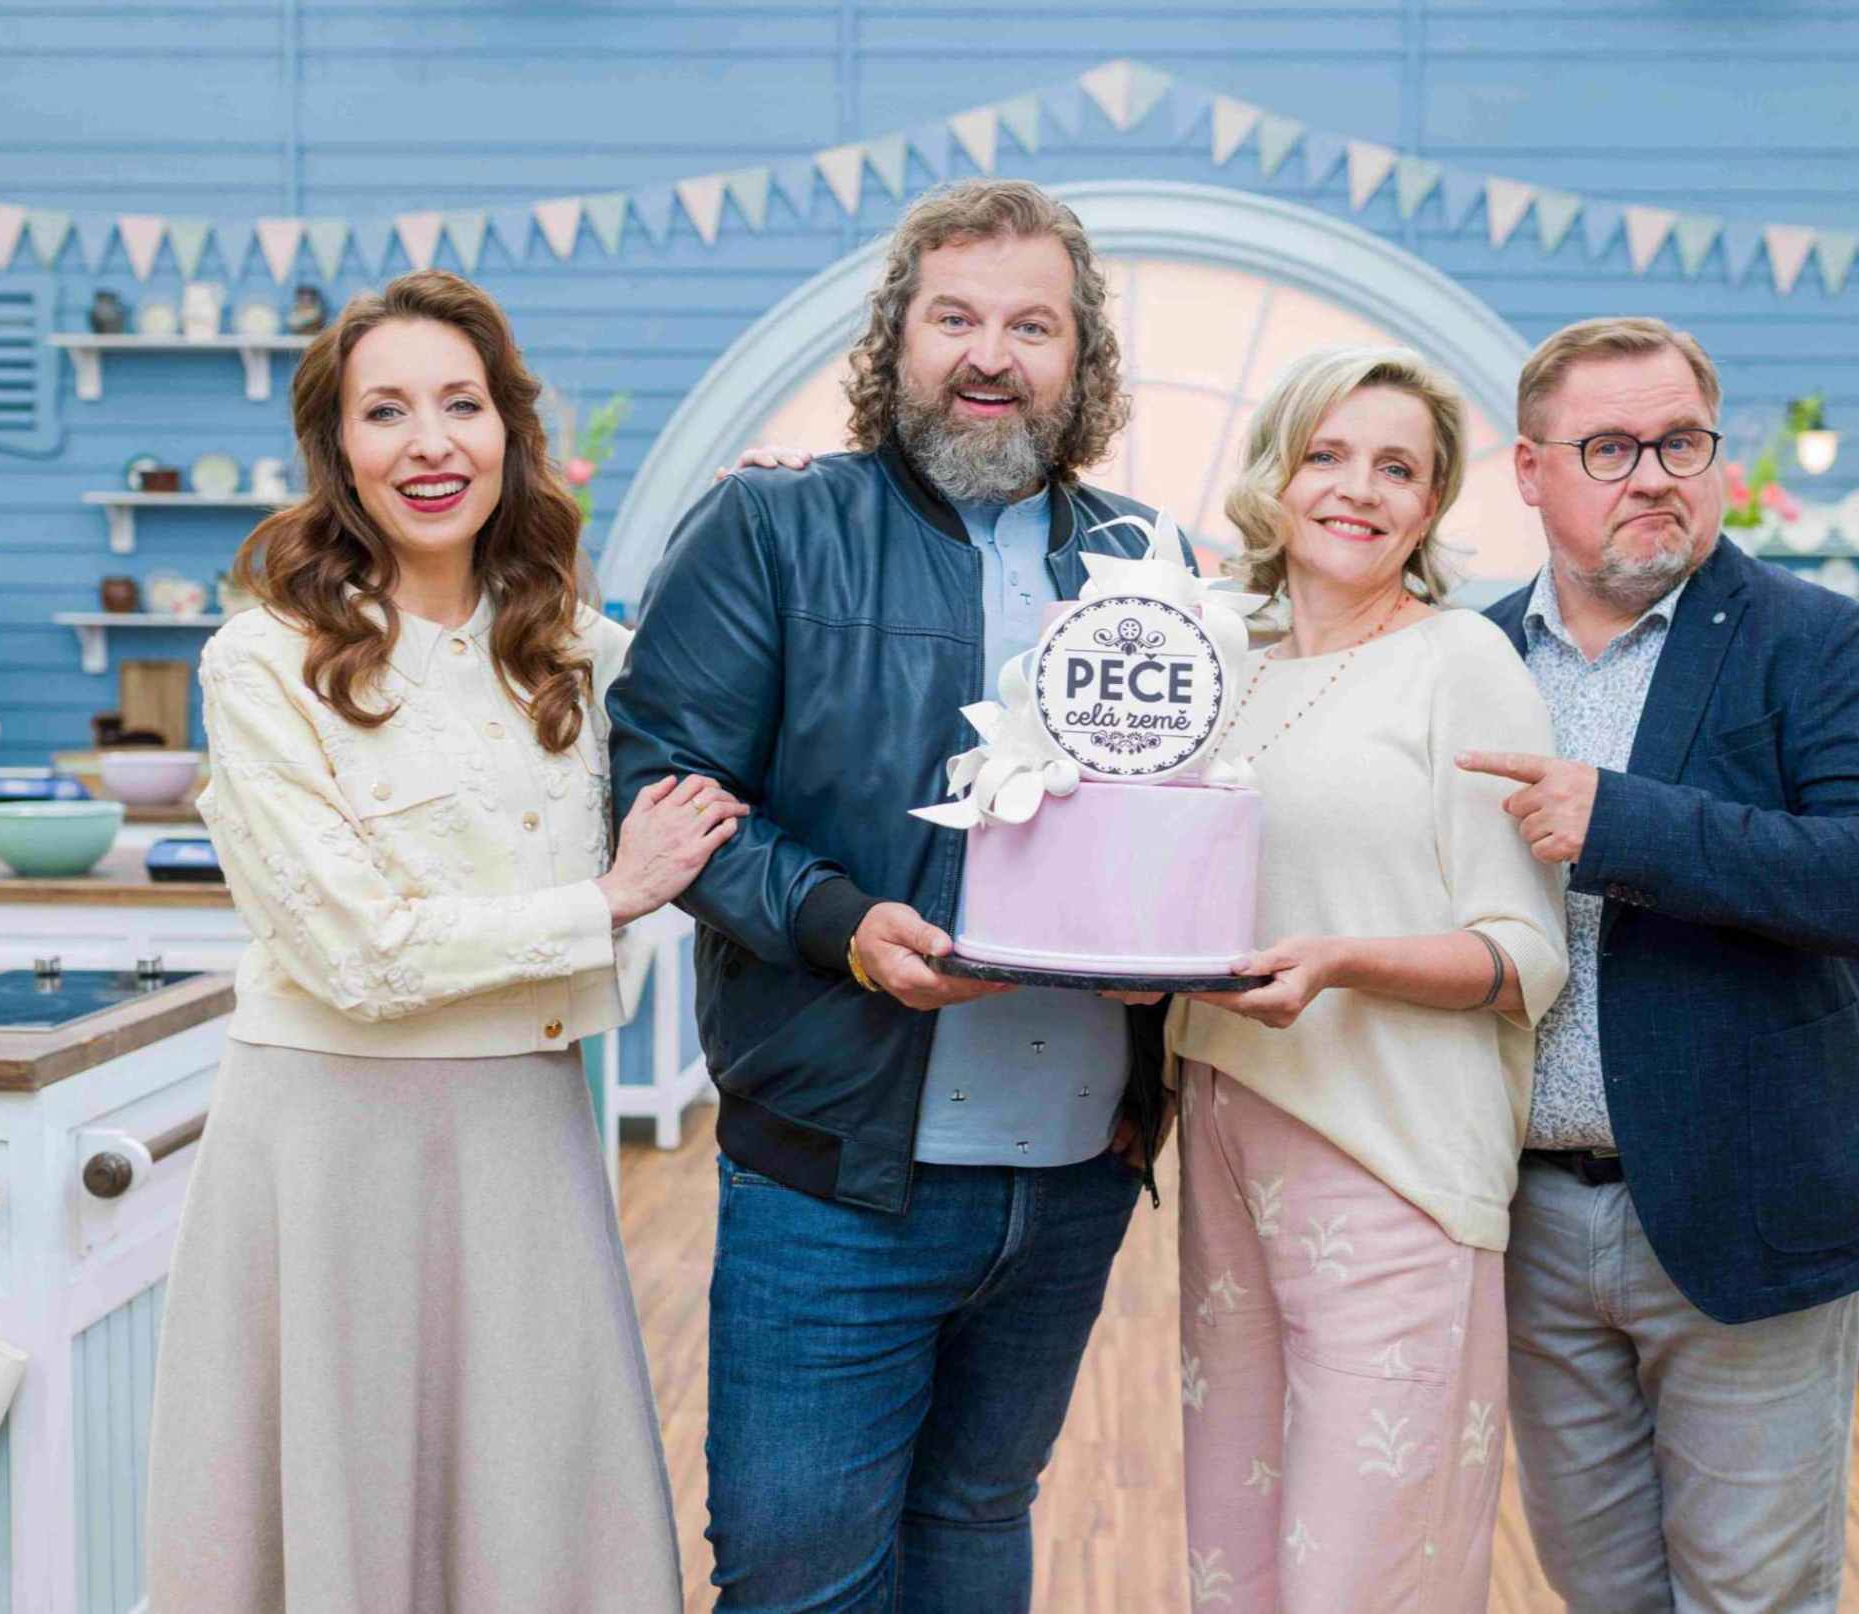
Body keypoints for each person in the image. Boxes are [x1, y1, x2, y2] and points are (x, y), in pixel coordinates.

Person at [607, 178, 1178, 1614]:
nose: (991, 355)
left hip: (1071, 1170)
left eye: (1032, 326)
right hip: (838, 1173)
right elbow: (666, 787)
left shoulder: (1147, 561)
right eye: (954, 318)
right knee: (800, 1576)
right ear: (896, 339)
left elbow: (1186, 812)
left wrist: (1172, 964)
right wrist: (841, 925)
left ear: (1081, 357)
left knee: (976, 1522)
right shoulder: (769, 528)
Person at [147, 268, 740, 1613]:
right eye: (386, 411)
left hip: (525, 1131)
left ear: (509, 431)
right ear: (337, 447)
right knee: (343, 1511)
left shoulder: (575, 651)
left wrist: (768, 518)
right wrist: (606, 899)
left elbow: (739, 704)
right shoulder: (262, 661)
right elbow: (354, 953)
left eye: (461, 405)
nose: (430, 444)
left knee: (537, 1508)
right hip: (326, 1143)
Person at [1464, 316, 1859, 1611]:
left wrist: (1624, 824)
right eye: (1609, 447)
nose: (1652, 476)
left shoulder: (1809, 639)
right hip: (1526, 1217)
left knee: (1752, 1596)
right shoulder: (1467, 655)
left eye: (1679, 443)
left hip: (1746, 1207)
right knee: (1600, 1590)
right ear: (1529, 471)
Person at [1161, 347, 1568, 1613]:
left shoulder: (1461, 663)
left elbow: (1522, 952)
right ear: (1275, 473)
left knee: (1362, 1568)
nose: (1357, 489)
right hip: (1225, 1128)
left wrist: (1338, 963)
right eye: (1327, 455)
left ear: (1431, 504)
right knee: (1234, 1552)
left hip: (1393, 1153)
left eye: (1397, 468)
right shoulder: (1221, 661)